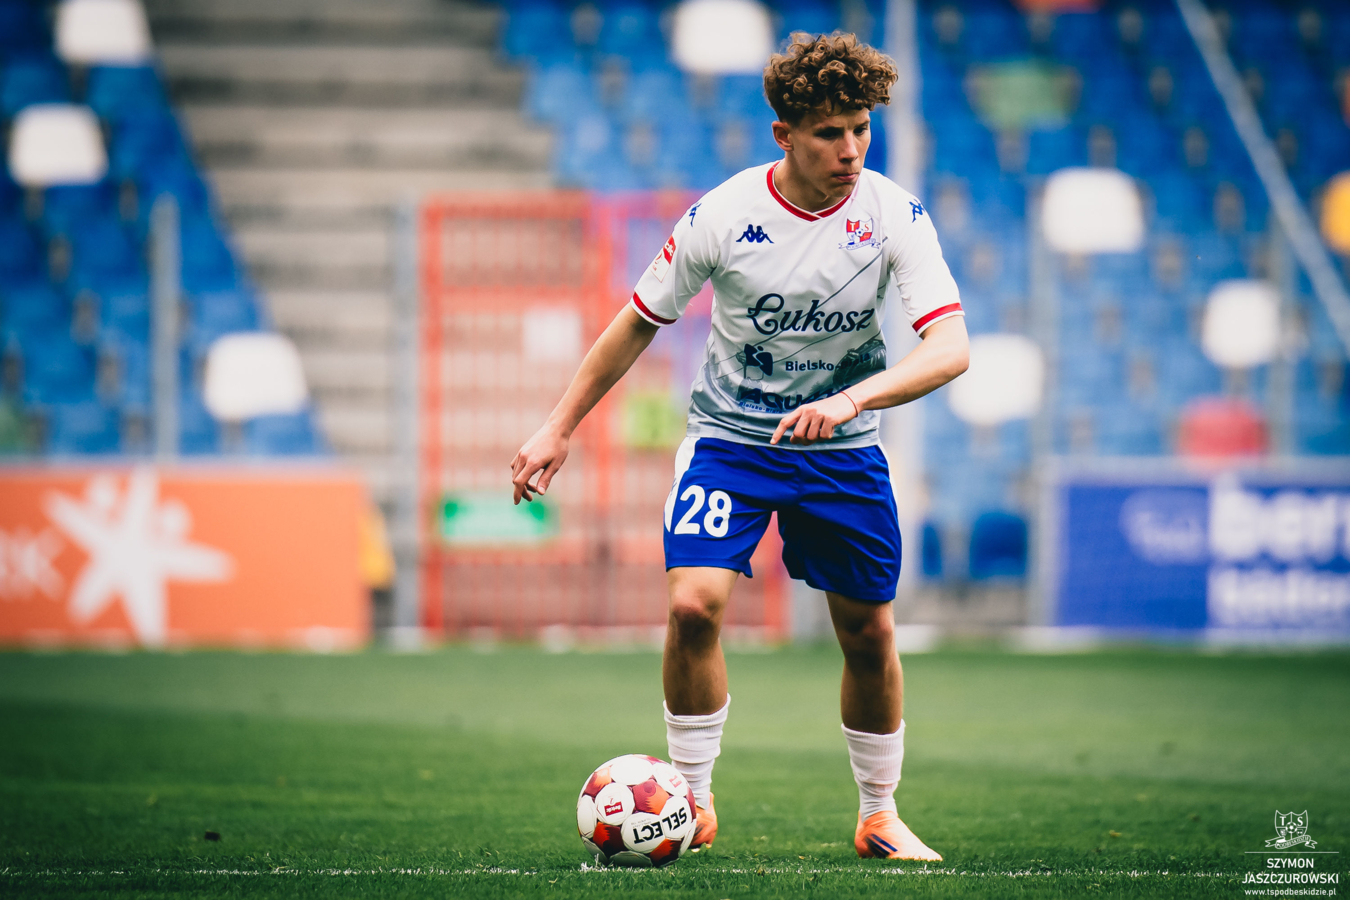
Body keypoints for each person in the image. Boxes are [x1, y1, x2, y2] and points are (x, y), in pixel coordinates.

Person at [511, 32, 968, 861]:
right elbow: (638, 322)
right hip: (731, 442)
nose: (851, 150)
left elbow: (951, 349)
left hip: (843, 449)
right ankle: (690, 800)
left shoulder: (893, 215)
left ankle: (879, 814)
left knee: (868, 633)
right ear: (784, 134)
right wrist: (559, 424)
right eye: (829, 133)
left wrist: (851, 400)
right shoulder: (723, 216)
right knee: (692, 606)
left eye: (861, 129)